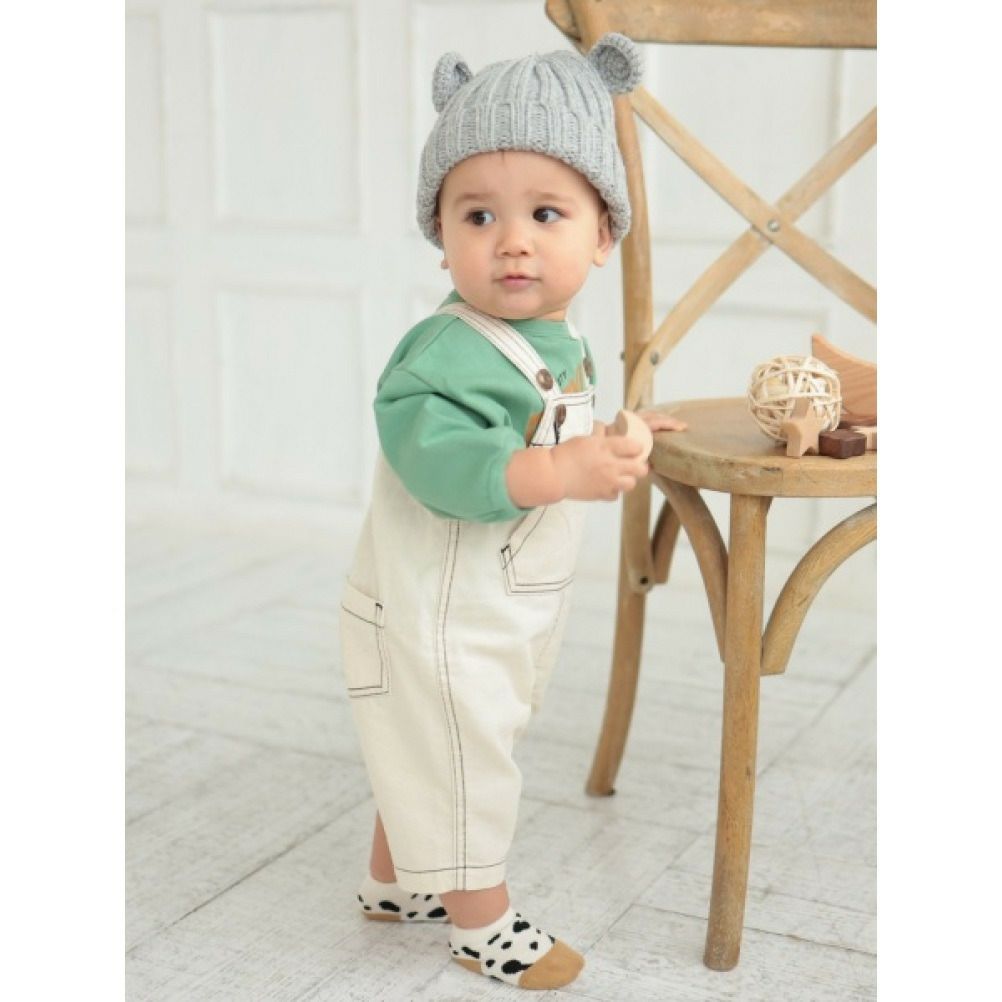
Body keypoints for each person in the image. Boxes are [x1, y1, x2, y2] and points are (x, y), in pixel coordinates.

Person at [338, 33, 686, 990]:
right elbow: (445, 462)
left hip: (498, 603)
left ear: (603, 235)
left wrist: (610, 434)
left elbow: (543, 422)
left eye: (545, 212)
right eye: (478, 215)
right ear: (440, 232)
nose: (513, 240)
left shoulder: (555, 339)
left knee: (438, 746)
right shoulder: (441, 352)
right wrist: (567, 467)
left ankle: (393, 882)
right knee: (463, 754)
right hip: (433, 610)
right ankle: (480, 922)